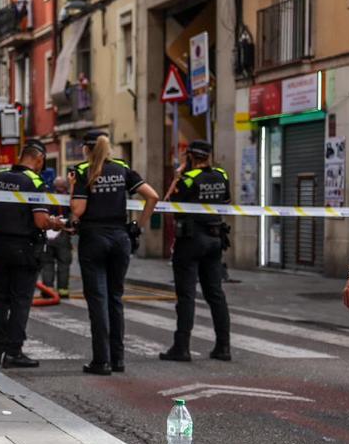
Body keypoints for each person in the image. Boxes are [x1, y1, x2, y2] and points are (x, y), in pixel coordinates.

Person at [69, 132, 160, 375]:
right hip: (120, 238)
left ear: (87, 149)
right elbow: (153, 196)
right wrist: (138, 226)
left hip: (94, 239)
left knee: (98, 300)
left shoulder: (82, 171)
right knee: (115, 298)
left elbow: (78, 209)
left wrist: (72, 189)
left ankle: (102, 361)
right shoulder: (123, 169)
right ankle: (118, 359)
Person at [0, 141, 65, 368]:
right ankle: (13, 352)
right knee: (20, 301)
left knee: (0, 299)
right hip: (24, 247)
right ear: (39, 159)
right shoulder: (35, 182)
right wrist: (57, 223)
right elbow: (40, 221)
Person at [160, 140, 232, 362]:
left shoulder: (188, 178)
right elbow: (227, 200)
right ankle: (223, 347)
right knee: (216, 294)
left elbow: (168, 201)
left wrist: (178, 174)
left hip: (191, 240)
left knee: (186, 295)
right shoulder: (221, 175)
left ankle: (181, 347)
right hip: (215, 238)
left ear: (191, 156)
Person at [40, 175, 73, 299]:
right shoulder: (69, 198)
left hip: (48, 233)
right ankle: (63, 291)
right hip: (63, 233)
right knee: (63, 264)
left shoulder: (48, 197)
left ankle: (47, 290)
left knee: (47, 263)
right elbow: (74, 214)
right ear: (65, 187)